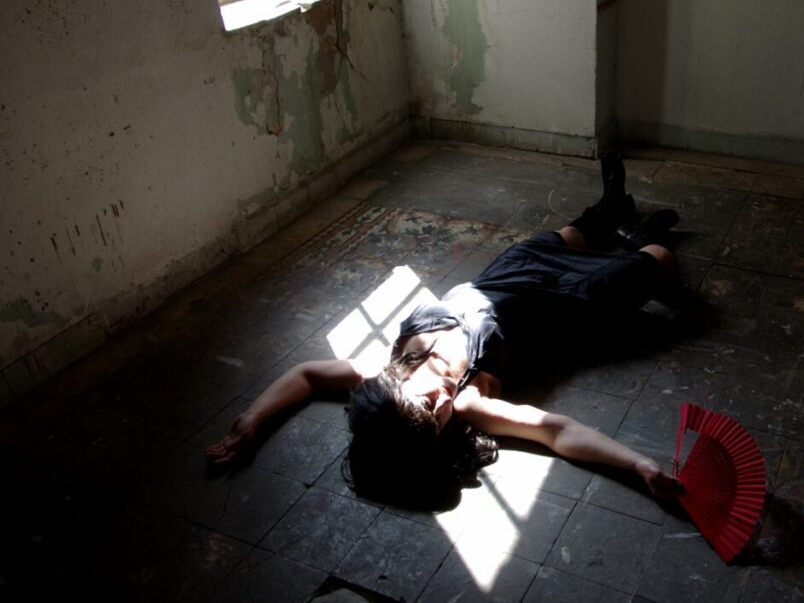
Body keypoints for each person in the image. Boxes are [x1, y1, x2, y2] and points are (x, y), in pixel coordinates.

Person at [206, 156, 685, 509]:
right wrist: (637, 464)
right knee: (659, 261)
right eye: (439, 420)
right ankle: (641, 239)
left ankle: (613, 206)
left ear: (394, 386)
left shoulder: (386, 368)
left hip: (506, 276)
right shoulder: (471, 401)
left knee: (573, 234)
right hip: (568, 303)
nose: (442, 402)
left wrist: (252, 418)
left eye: (425, 402)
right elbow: (559, 432)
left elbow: (308, 376)